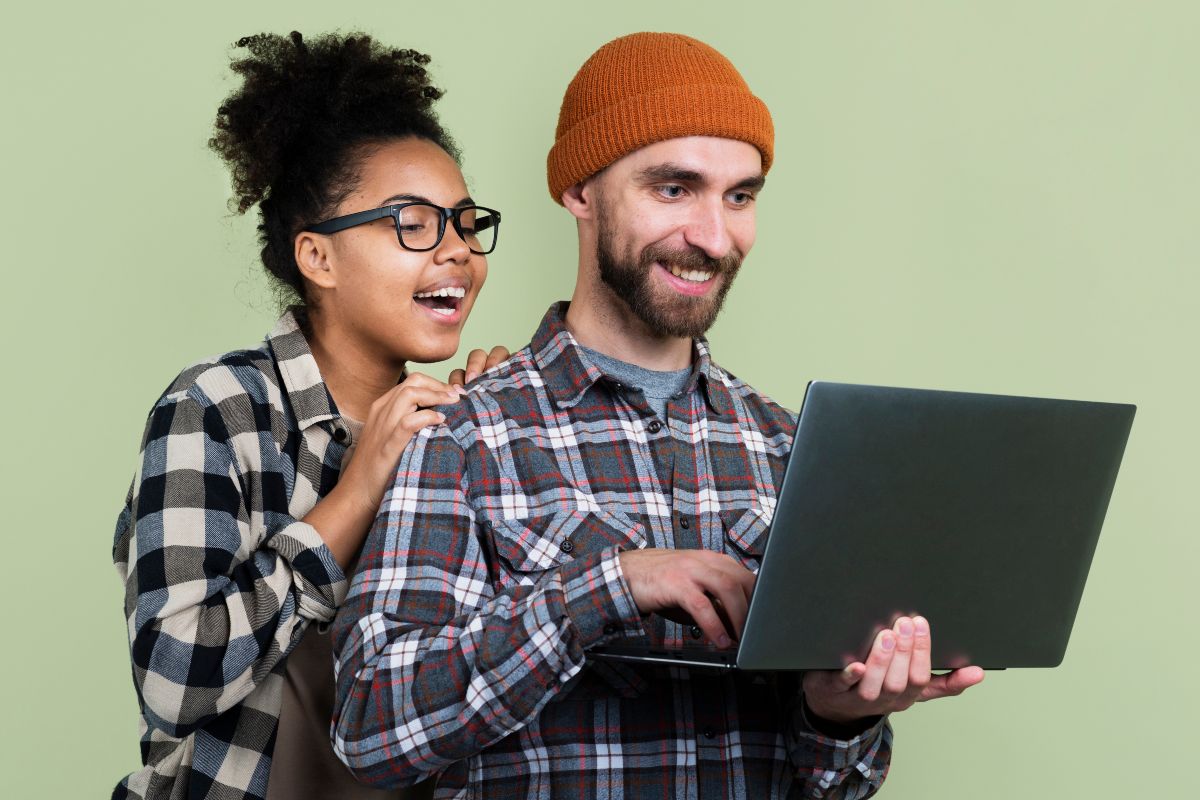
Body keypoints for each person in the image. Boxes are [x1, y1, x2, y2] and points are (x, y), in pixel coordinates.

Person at [331, 32, 984, 799]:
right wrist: (606, 588)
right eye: (673, 189)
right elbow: (371, 728)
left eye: (739, 196)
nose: (713, 236)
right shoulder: (464, 435)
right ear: (580, 192)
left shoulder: (788, 448)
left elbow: (832, 785)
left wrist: (838, 717)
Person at [111, 31, 508, 800]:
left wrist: (502, 436)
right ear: (317, 258)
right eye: (413, 223)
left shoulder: (459, 426)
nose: (458, 250)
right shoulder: (216, 411)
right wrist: (356, 493)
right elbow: (172, 679)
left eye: (465, 223)